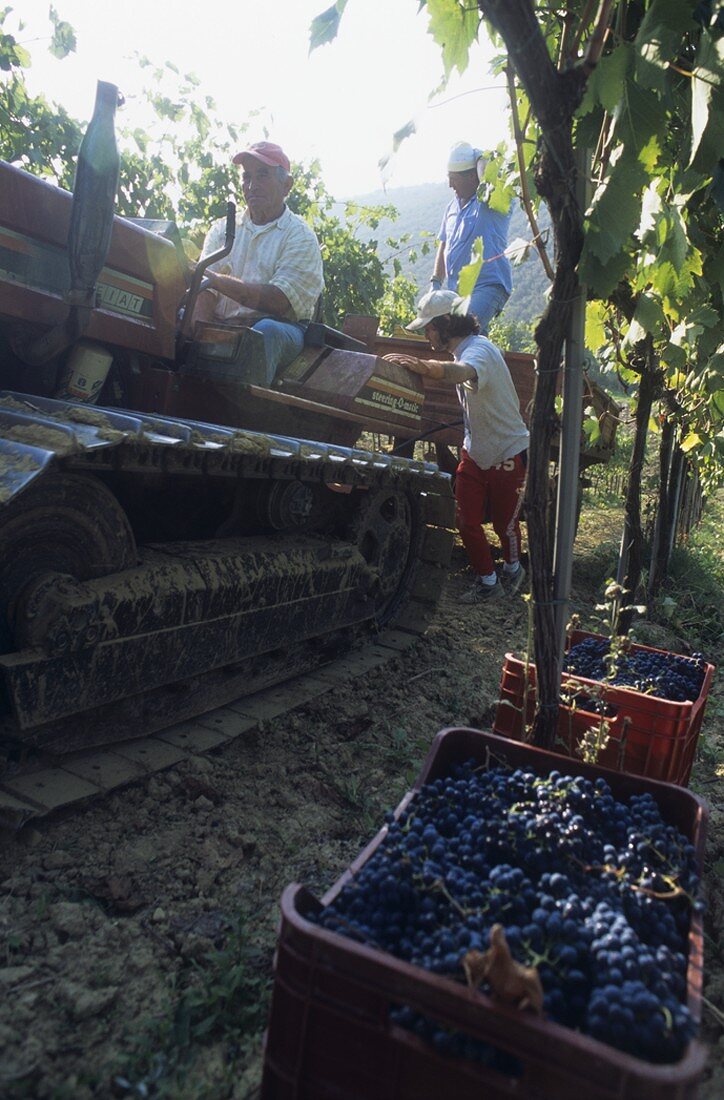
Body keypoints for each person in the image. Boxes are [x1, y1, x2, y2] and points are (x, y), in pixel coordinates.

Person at [384, 289, 528, 603]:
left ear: (446, 323)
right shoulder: (463, 351)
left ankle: (514, 569)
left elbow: (463, 374)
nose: (426, 334)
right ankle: (488, 582)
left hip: (507, 450)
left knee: (505, 525)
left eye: (429, 327)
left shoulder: (479, 350)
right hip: (474, 450)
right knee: (465, 519)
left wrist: (425, 367)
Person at [192, 141, 324, 384]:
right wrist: (196, 330)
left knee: (265, 333)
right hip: (221, 323)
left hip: (280, 328)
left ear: (287, 185)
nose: (252, 186)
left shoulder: (300, 236)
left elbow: (278, 301)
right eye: (247, 177)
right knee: (168, 316)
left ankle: (243, 413)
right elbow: (204, 290)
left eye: (262, 176)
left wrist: (216, 280)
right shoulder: (222, 229)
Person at [430, 141, 513, 335]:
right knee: (463, 341)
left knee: (460, 333)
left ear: (471, 176)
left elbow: (486, 176)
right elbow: (444, 245)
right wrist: (435, 283)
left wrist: (479, 157)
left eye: (454, 178)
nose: (450, 185)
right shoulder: (451, 208)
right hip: (457, 293)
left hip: (487, 286)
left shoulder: (490, 201)